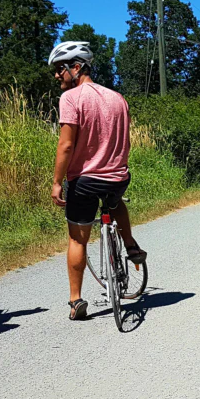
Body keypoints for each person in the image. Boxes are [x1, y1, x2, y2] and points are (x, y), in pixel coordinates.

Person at [48, 41, 146, 321]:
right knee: (115, 202)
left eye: (60, 69)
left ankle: (76, 300)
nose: (57, 75)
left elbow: (66, 145)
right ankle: (130, 245)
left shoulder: (71, 98)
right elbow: (125, 140)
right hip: (118, 178)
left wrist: (57, 182)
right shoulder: (118, 98)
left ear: (76, 67)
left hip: (85, 182)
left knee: (77, 240)